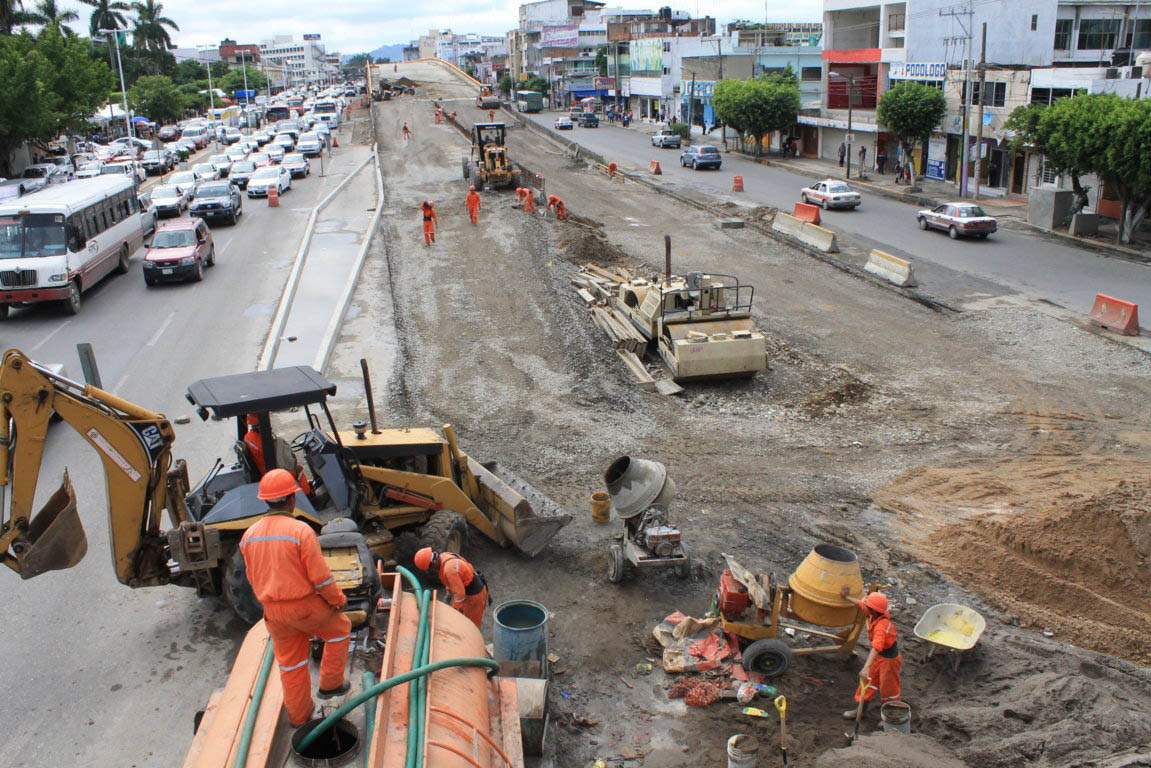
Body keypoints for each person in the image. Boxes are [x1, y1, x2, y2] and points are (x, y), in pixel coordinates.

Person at [240, 470, 351, 728]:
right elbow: (321, 577)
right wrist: (337, 600)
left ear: (266, 501)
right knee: (340, 630)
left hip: (274, 614)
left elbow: (252, 576)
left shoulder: (249, 535)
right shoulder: (300, 531)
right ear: (291, 499)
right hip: (305, 608)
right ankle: (330, 685)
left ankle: (299, 716)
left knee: (291, 663)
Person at [840, 587, 902, 720]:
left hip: (889, 661)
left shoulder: (882, 626)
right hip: (879, 658)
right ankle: (860, 711)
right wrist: (846, 598)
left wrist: (866, 666)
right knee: (867, 682)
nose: (864, 605)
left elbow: (876, 647)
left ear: (873, 610)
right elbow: (861, 604)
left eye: (867, 605)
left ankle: (891, 716)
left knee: (888, 690)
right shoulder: (873, 614)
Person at [413, 547, 489, 628]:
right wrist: (449, 593)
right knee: (463, 619)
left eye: (429, 568)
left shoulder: (449, 569)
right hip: (468, 589)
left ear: (432, 564)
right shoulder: (444, 555)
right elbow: (452, 581)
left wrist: (453, 611)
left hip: (474, 596)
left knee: (471, 626)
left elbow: (460, 595)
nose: (431, 570)